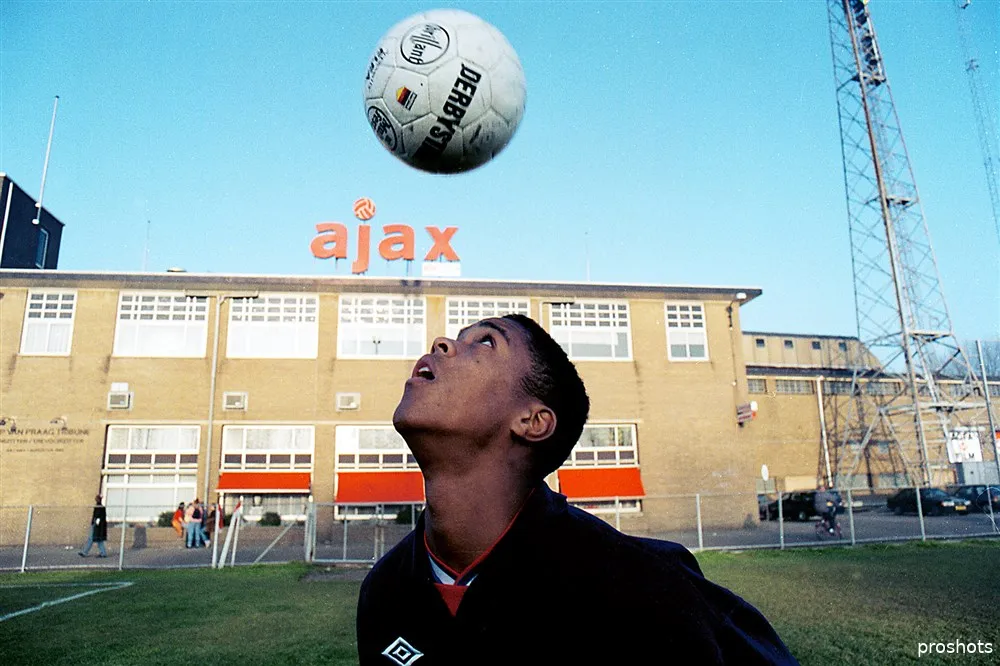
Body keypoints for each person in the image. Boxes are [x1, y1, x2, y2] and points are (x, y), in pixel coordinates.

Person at [356, 315, 799, 665]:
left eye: (487, 341)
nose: (442, 343)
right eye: (456, 337)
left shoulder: (645, 590)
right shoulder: (385, 591)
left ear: (532, 421)